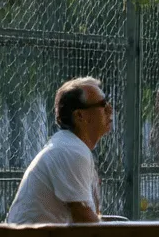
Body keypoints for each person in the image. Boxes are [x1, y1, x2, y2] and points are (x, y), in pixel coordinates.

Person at [6, 77, 112, 224]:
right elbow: (85, 221)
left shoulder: (71, 146)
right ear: (80, 116)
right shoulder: (71, 151)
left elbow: (90, 215)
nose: (109, 109)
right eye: (102, 104)